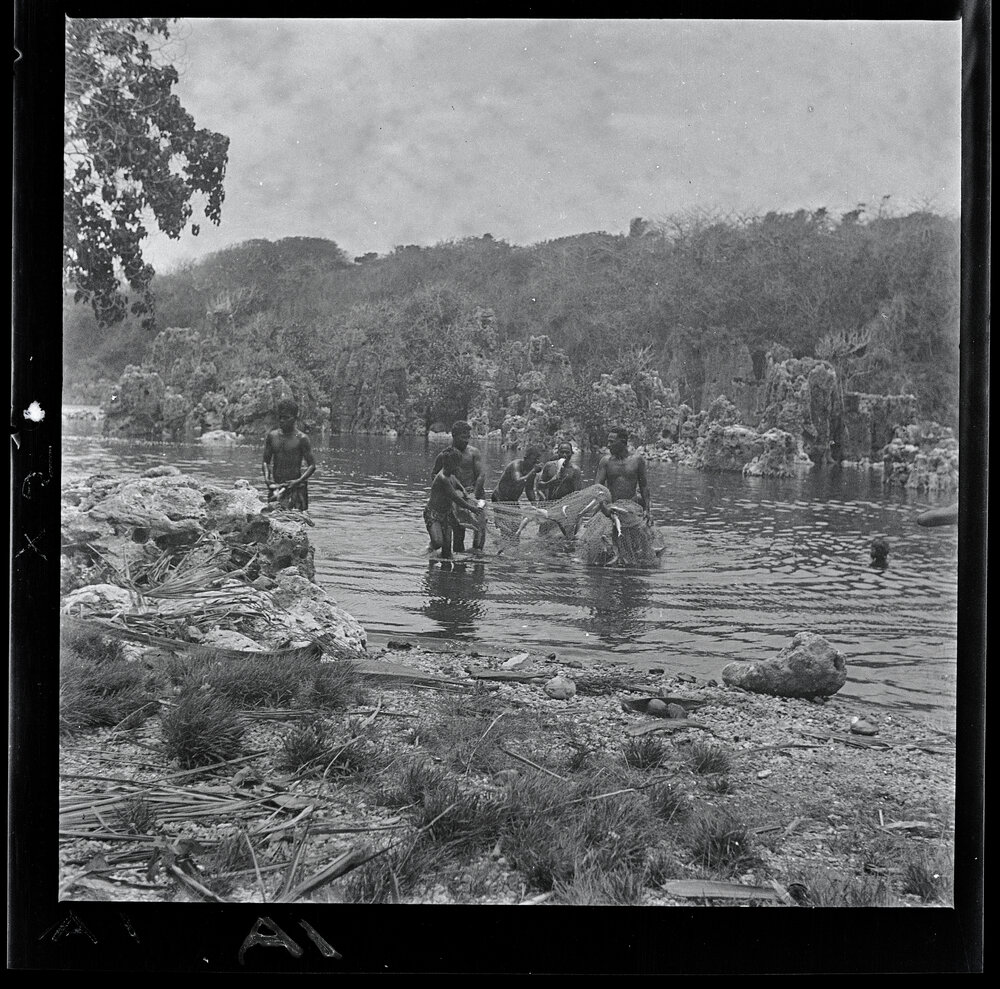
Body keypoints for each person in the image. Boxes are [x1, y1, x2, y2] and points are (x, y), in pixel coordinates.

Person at [431, 421, 486, 552]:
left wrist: (474, 495)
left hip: (474, 494)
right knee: (458, 533)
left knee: (480, 530)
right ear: (454, 436)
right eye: (463, 437)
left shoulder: (474, 453)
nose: (466, 440)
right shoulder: (445, 455)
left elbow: (481, 475)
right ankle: (458, 565)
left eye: (468, 437)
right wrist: (449, 490)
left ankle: (476, 555)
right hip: (455, 498)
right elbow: (434, 474)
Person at [424, 448, 486, 559]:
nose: (458, 467)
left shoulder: (451, 475)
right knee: (438, 543)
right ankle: (430, 547)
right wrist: (472, 508)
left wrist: (465, 492)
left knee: (447, 554)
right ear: (450, 464)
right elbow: (455, 498)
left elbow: (457, 483)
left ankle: (442, 571)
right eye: (457, 464)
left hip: (446, 515)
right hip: (433, 514)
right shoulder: (442, 478)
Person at [262, 399, 316, 510]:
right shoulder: (272, 436)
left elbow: (312, 465)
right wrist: (267, 478)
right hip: (277, 486)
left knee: (298, 520)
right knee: (272, 519)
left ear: (295, 418)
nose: (282, 421)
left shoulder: (302, 439)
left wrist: (298, 481)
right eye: (280, 417)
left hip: (296, 488)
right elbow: (265, 461)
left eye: (286, 418)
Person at [595, 426, 650, 516]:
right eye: (608, 441)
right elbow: (597, 488)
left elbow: (644, 487)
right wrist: (604, 507)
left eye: (612, 442)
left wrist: (647, 510)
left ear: (623, 442)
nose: (608, 445)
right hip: (611, 507)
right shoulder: (606, 461)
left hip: (631, 508)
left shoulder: (637, 460)